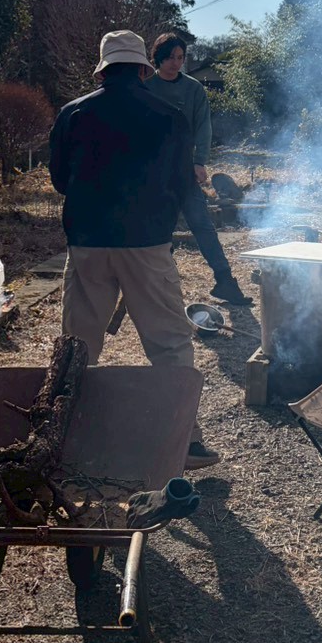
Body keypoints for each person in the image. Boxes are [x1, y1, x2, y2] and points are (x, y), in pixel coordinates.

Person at [48, 29, 219, 469]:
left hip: (88, 242)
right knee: (169, 342)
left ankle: (62, 437)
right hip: (146, 243)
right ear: (144, 69)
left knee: (78, 343)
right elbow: (183, 184)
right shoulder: (169, 116)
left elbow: (61, 180)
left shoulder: (73, 113)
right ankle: (183, 441)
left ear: (102, 71)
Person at [145, 32, 251, 306]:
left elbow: (204, 128)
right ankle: (163, 288)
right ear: (158, 58)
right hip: (153, 173)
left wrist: (199, 161)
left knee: (203, 225)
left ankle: (225, 281)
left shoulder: (193, 89)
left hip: (184, 169)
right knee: (161, 231)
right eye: (170, 57)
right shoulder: (146, 88)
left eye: (180, 57)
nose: (176, 63)